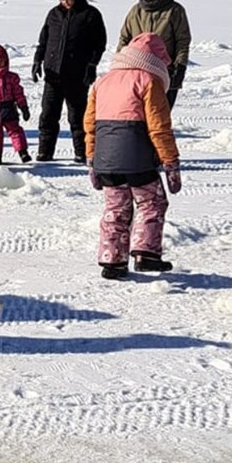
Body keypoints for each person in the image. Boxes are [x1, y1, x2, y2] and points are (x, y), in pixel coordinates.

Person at [84, 33, 182, 279]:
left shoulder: (102, 82)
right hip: (138, 160)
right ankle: (146, 254)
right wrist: (171, 163)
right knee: (152, 203)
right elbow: (159, 127)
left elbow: (89, 124)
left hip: (106, 160)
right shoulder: (148, 80)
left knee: (115, 208)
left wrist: (91, 159)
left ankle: (113, 260)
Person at [31, 0, 106, 162]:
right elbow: (44, 41)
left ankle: (82, 152)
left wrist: (91, 66)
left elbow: (99, 44)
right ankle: (45, 151)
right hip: (53, 75)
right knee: (48, 115)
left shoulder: (90, 15)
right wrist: (37, 60)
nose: (65, 2)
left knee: (78, 117)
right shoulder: (53, 14)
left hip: (77, 76)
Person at [118, 0, 191, 106]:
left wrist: (179, 67)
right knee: (137, 116)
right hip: (136, 72)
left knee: (159, 118)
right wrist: (120, 65)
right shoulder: (135, 12)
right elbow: (124, 39)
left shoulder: (175, 10)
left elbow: (183, 42)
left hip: (164, 72)